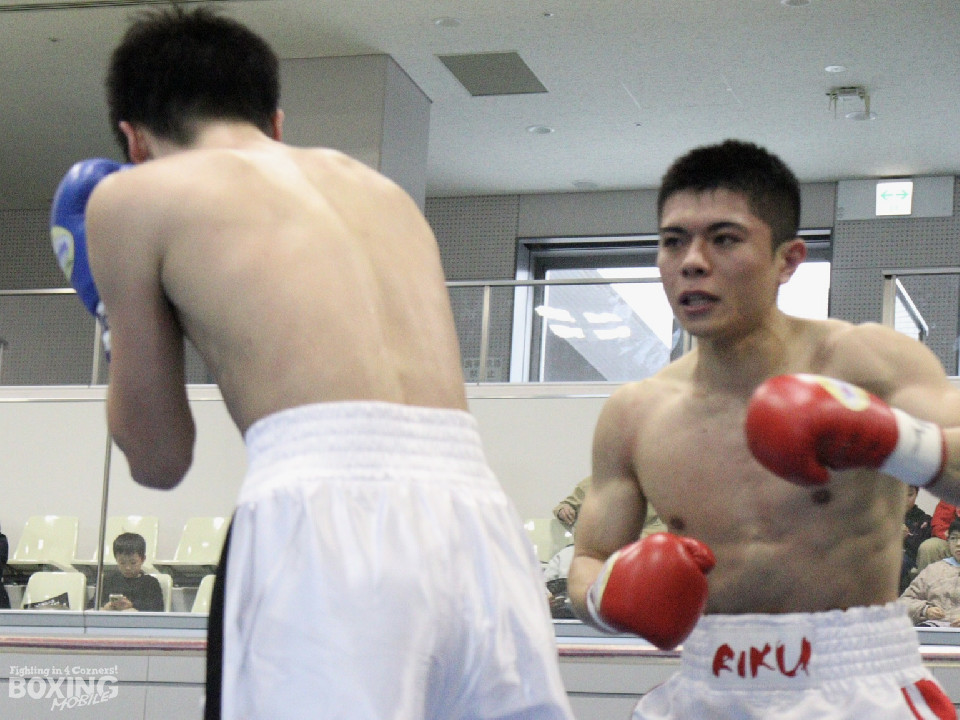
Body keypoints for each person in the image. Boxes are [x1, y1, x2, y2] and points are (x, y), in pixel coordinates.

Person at [50, 7, 572, 720]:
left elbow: (159, 458)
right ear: (276, 121)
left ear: (133, 139)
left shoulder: (129, 197)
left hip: (323, 521)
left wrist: (114, 317)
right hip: (481, 525)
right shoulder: (381, 193)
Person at [567, 139, 960, 720]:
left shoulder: (865, 361)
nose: (692, 261)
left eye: (724, 239)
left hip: (855, 683)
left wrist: (892, 439)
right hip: (707, 684)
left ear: (788, 260)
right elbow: (589, 559)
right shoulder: (635, 413)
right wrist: (607, 596)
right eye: (673, 241)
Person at [554, 475, 666, 534]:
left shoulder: (650, 482)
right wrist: (563, 510)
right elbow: (564, 506)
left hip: (647, 542)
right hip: (605, 546)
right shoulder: (593, 482)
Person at [901, 519, 960, 626]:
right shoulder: (933, 570)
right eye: (953, 538)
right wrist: (925, 610)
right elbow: (903, 602)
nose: (958, 544)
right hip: (934, 628)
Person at [98, 532, 163, 612]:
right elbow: (92, 606)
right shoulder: (108, 581)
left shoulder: (150, 584)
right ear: (116, 559)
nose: (127, 567)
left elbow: (157, 610)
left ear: (143, 559)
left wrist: (132, 606)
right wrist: (105, 608)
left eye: (133, 563)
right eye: (122, 563)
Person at [901, 485, 932, 593]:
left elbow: (919, 548)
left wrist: (906, 537)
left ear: (916, 494)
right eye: (900, 493)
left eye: (909, 494)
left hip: (907, 558)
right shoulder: (882, 515)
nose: (904, 499)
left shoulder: (923, 520)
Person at [916, 499, 960, 572]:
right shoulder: (953, 495)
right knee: (929, 547)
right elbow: (939, 523)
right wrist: (949, 535)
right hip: (951, 539)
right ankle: (926, 579)